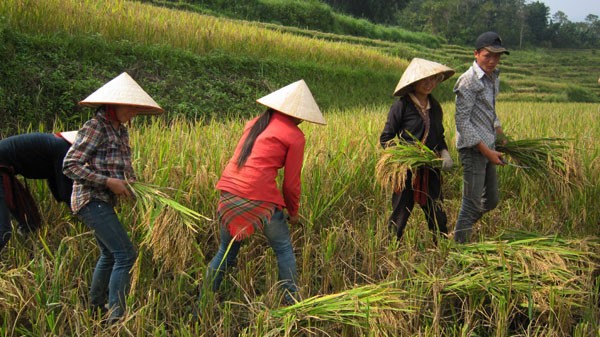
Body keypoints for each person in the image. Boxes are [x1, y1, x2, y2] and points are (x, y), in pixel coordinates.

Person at [202, 79, 326, 306]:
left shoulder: (255, 123)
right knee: (283, 249)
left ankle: (203, 303)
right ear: (296, 114)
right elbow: (290, 184)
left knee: (225, 251)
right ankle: (291, 304)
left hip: (228, 193)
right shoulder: (295, 136)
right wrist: (293, 212)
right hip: (259, 199)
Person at [63, 72, 164, 322]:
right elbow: (70, 165)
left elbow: (122, 168)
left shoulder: (121, 131)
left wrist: (134, 186)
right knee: (125, 254)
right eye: (130, 109)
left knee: (109, 254)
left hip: (104, 201)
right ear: (114, 104)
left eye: (136, 110)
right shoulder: (95, 126)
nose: (133, 115)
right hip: (90, 200)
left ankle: (96, 307)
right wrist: (108, 182)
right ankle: (116, 319)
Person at [379, 58, 455, 242]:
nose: (429, 84)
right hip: (407, 171)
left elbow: (439, 135)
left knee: (437, 213)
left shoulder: (435, 107)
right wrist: (407, 156)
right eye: (424, 80)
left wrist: (444, 153)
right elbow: (386, 138)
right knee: (400, 214)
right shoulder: (402, 106)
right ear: (414, 82)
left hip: (431, 169)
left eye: (433, 79)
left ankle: (442, 249)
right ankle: (390, 249)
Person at [453, 31, 509, 244]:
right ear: (476, 54)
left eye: (497, 56)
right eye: (488, 55)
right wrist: (486, 151)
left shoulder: (494, 77)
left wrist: (500, 134)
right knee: (471, 204)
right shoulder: (468, 81)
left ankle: (462, 230)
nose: (493, 61)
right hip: (473, 150)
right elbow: (463, 123)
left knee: (492, 201)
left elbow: (489, 110)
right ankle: (459, 250)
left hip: (490, 147)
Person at [0, 131, 76, 253]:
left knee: (30, 223)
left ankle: (28, 253)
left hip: (5, 171)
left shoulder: (56, 144)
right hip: (2, 171)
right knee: (3, 231)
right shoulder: (62, 148)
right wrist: (83, 212)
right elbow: (65, 191)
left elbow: (55, 181)